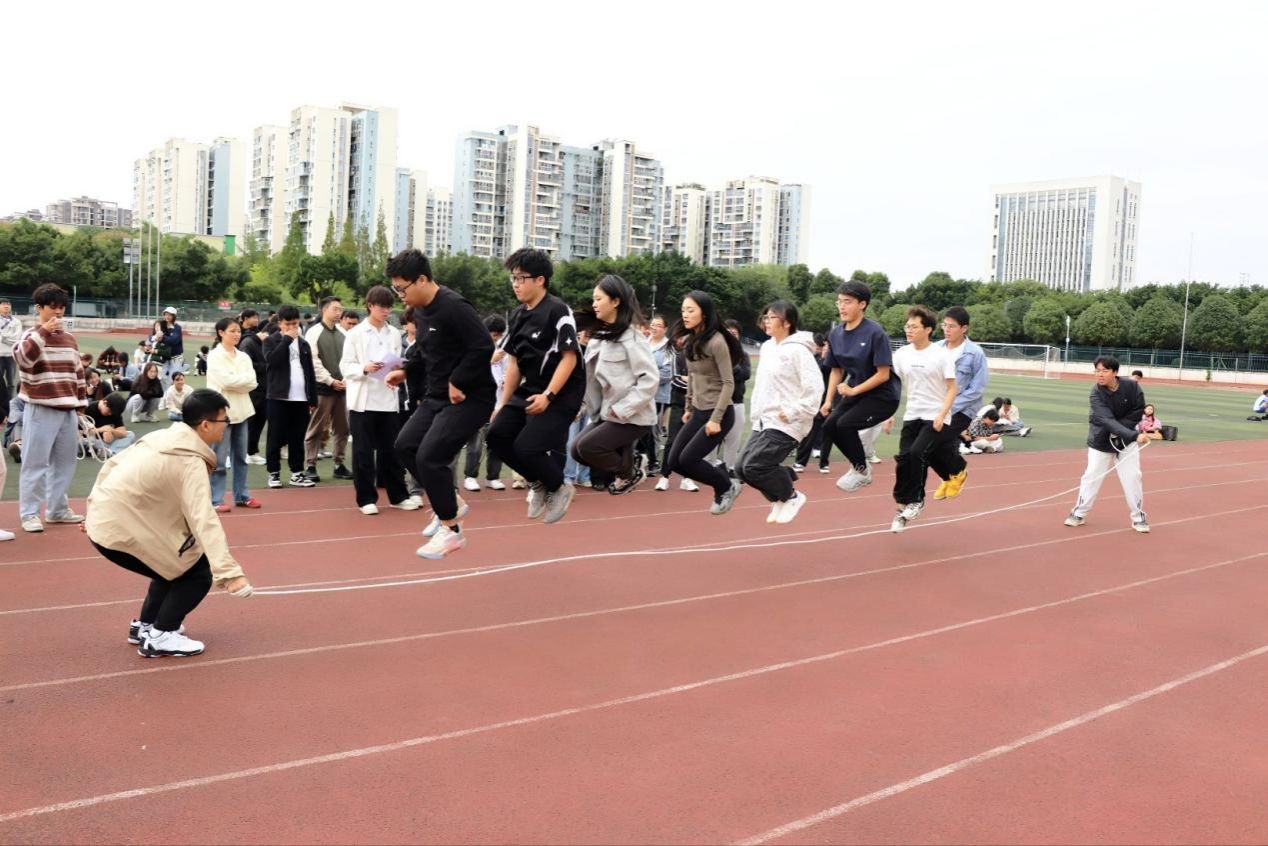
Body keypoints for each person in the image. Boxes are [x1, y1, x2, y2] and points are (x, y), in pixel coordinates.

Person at [86, 389, 255, 657]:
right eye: (224, 420)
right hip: (119, 529)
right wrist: (230, 574)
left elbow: (112, 466)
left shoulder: (161, 436)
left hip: (107, 521)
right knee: (197, 573)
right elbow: (204, 519)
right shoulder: (190, 462)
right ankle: (161, 635)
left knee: (173, 562)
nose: (227, 425)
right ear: (206, 424)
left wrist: (95, 509)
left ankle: (146, 626)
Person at [389, 249, 496, 560]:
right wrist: (405, 370)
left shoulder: (454, 306)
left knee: (430, 456)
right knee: (405, 446)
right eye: (396, 290)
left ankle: (451, 530)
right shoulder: (421, 311)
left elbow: (483, 346)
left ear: (422, 279)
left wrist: (459, 380)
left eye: (402, 289)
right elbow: (425, 352)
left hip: (470, 398)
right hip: (437, 397)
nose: (400, 296)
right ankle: (449, 502)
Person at [487, 248, 585, 525]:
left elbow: (569, 358)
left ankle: (559, 486)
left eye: (521, 278)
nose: (516, 284)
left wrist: (549, 396)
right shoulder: (518, 315)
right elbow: (514, 363)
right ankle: (538, 482)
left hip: (562, 393)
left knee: (527, 447)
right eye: (513, 278)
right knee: (496, 436)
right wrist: (502, 404)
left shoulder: (558, 310)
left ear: (540, 280)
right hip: (531, 389)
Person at [570, 275, 659, 494]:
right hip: (607, 412)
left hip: (632, 415)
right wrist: (580, 406)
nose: (594, 304)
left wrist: (624, 408)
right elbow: (591, 382)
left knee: (588, 447)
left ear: (616, 301)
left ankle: (630, 472)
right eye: (593, 299)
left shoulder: (633, 338)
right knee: (576, 450)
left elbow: (649, 379)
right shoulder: (599, 338)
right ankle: (630, 461)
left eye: (598, 299)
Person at [14, 283, 88, 533]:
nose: (58, 312)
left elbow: (78, 372)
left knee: (65, 464)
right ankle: (29, 514)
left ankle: (57, 510)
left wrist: (81, 404)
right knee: (35, 464)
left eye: (61, 308)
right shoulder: (29, 335)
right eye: (52, 307)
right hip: (40, 407)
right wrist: (43, 332)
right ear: (39, 308)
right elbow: (23, 359)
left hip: (68, 409)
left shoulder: (69, 339)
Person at [339, 286, 419, 515]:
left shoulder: (394, 333)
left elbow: (398, 362)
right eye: (382, 306)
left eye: (389, 307)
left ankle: (398, 496)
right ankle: (366, 499)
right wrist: (364, 368)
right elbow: (345, 365)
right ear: (370, 306)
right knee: (363, 453)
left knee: (391, 451)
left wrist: (395, 372)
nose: (386, 311)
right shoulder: (355, 333)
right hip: (363, 401)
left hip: (388, 399)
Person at [738, 301, 820, 524]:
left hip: (788, 421)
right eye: (765, 316)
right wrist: (757, 414)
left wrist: (795, 411)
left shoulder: (799, 351)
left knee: (755, 466)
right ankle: (779, 498)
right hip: (764, 419)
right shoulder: (767, 347)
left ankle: (792, 496)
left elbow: (814, 388)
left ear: (787, 322)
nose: (767, 321)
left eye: (772, 317)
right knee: (741, 469)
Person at [666, 290, 744, 514]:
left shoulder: (717, 342)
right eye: (683, 310)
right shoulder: (692, 341)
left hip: (719, 413)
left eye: (691, 310)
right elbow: (693, 377)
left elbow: (728, 383)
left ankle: (725, 486)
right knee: (674, 461)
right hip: (699, 412)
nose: (685, 315)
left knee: (688, 460)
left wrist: (716, 419)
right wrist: (689, 407)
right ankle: (726, 482)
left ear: (705, 313)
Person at [821, 280, 901, 493]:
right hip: (857, 391)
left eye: (847, 302)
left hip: (883, 396)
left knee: (845, 424)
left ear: (862, 304)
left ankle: (861, 471)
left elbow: (883, 374)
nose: (841, 306)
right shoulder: (836, 334)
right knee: (829, 426)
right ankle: (860, 468)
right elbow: (836, 370)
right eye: (839, 302)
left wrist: (853, 390)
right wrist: (828, 401)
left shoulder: (875, 333)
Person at [887, 306, 958, 532]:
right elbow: (894, 387)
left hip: (935, 415)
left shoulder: (941, 355)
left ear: (928, 330)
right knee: (903, 460)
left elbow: (952, 388)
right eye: (907, 326)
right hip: (913, 414)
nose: (908, 330)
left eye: (914, 326)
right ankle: (901, 508)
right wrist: (889, 414)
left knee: (918, 453)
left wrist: (942, 414)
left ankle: (917, 501)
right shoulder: (901, 354)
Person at [1064, 356, 1150, 532]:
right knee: (1091, 476)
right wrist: (1133, 435)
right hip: (1101, 441)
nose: (1100, 374)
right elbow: (1106, 420)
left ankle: (1138, 518)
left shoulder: (1132, 387)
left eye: (1104, 370)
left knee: (1133, 477)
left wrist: (1125, 433)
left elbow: (1138, 410)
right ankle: (1079, 513)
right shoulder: (1096, 393)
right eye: (1097, 371)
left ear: (1115, 372)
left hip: (1126, 442)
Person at [927, 306, 987, 500]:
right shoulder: (935, 349)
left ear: (964, 328)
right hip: (936, 407)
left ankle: (958, 470)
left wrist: (949, 406)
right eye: (944, 325)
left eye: (952, 326)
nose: (946, 329)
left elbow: (977, 389)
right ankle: (949, 477)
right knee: (926, 446)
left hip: (962, 409)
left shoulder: (975, 354)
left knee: (936, 441)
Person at [207, 317, 261, 511]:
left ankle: (242, 495)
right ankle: (216, 499)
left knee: (241, 457)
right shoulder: (214, 356)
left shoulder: (244, 356)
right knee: (219, 459)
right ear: (221, 333)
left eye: (238, 331)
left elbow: (253, 382)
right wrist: (241, 381)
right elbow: (225, 382)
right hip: (221, 414)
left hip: (242, 411)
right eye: (232, 331)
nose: (237, 334)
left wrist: (236, 382)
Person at [263, 305, 318, 489]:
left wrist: (312, 398)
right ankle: (274, 472)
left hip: (301, 398)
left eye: (295, 324)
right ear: (280, 323)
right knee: (275, 436)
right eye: (288, 324)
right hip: (278, 397)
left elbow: (309, 372)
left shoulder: (303, 344)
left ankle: (297, 472)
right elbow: (272, 361)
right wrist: (286, 340)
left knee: (297, 437)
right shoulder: (270, 341)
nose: (292, 327)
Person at [303, 296, 353, 483]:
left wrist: (345, 379)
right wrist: (330, 380)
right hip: (323, 388)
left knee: (342, 428)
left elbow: (350, 358)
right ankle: (310, 465)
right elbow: (313, 361)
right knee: (317, 427)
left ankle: (339, 464)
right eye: (335, 309)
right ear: (324, 310)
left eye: (340, 309)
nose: (339, 312)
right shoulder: (313, 332)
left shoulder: (343, 332)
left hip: (343, 387)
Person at [462, 315, 508, 492]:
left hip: (499, 402)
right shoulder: (473, 346)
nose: (495, 338)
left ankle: (493, 477)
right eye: (493, 334)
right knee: (475, 442)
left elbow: (510, 371)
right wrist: (490, 360)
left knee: (497, 440)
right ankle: (470, 476)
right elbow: (467, 372)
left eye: (499, 335)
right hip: (478, 402)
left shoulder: (504, 350)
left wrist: (506, 379)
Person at [654, 334, 699, 492]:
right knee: (672, 440)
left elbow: (706, 381)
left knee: (691, 442)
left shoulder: (702, 359)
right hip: (678, 403)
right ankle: (664, 476)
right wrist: (693, 382)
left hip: (698, 405)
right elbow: (675, 379)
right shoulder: (677, 357)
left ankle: (687, 478)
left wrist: (691, 380)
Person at [711, 318, 750, 475]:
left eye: (735, 333)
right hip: (716, 401)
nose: (732, 335)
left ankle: (730, 467)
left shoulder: (743, 354)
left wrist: (729, 370)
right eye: (728, 332)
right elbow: (714, 375)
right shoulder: (715, 351)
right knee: (712, 437)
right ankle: (710, 465)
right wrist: (733, 371)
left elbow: (745, 374)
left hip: (737, 401)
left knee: (734, 437)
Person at [237, 309, 269, 464]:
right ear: (244, 318)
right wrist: (267, 366)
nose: (256, 320)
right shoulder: (247, 341)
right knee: (251, 420)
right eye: (253, 317)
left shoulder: (256, 337)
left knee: (259, 419)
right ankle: (245, 452)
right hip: (251, 386)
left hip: (262, 385)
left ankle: (251, 451)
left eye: (257, 317)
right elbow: (246, 364)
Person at [0, 298, 21, 400]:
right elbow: (12, 338)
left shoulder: (16, 322)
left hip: (11, 355)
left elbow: (17, 338)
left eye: (8, 304)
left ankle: (10, 402)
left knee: (11, 382)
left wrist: (2, 337)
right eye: (3, 304)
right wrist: (9, 336)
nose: (6, 306)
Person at [159, 306, 185, 382]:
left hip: (176, 358)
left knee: (174, 379)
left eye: (170, 315)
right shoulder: (161, 326)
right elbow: (153, 337)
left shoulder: (177, 328)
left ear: (174, 316)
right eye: (166, 314)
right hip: (164, 357)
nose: (167, 316)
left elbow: (174, 340)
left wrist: (162, 338)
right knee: (161, 378)